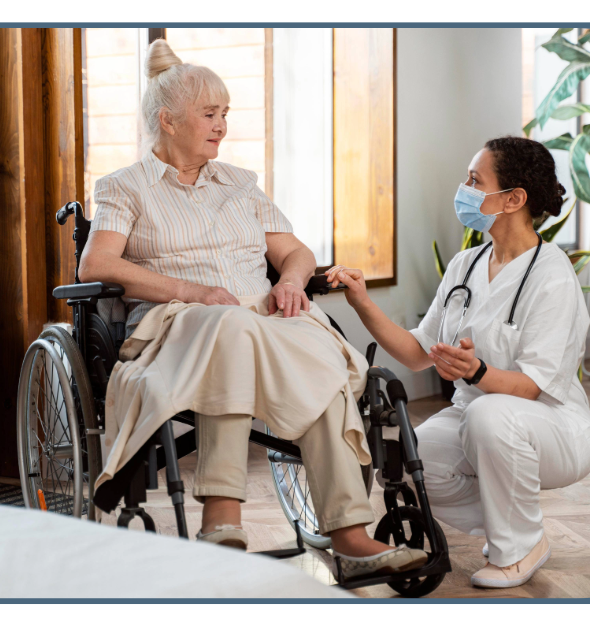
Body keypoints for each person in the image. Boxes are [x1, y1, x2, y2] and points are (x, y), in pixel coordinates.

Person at [79, 39, 425, 577]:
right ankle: (222, 512)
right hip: (180, 324)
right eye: (209, 114)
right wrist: (190, 292)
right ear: (168, 121)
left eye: (225, 114)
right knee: (231, 325)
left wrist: (289, 280)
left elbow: (294, 252)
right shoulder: (126, 187)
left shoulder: (241, 185)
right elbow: (96, 264)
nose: (222, 125)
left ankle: (350, 535)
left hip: (261, 318)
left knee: (319, 352)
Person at [327, 136, 590, 588]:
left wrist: (476, 372)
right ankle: (515, 527)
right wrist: (362, 303)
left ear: (513, 199)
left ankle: (518, 547)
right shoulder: (465, 264)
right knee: (412, 461)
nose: (463, 189)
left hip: (552, 425)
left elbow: (532, 387)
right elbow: (416, 351)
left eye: (474, 180)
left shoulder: (552, 274)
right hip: (476, 415)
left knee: (489, 414)